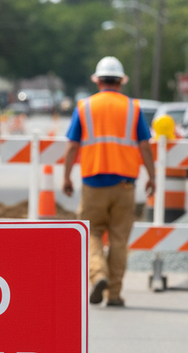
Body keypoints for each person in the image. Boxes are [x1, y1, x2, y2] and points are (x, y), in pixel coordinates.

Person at [62, 56, 156, 307]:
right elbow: (145, 146)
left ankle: (98, 274)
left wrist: (66, 176)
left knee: (91, 232)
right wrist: (152, 176)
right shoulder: (133, 108)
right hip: (125, 183)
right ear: (121, 82)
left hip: (93, 181)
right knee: (119, 239)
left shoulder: (84, 107)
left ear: (97, 81)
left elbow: (72, 146)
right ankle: (114, 294)